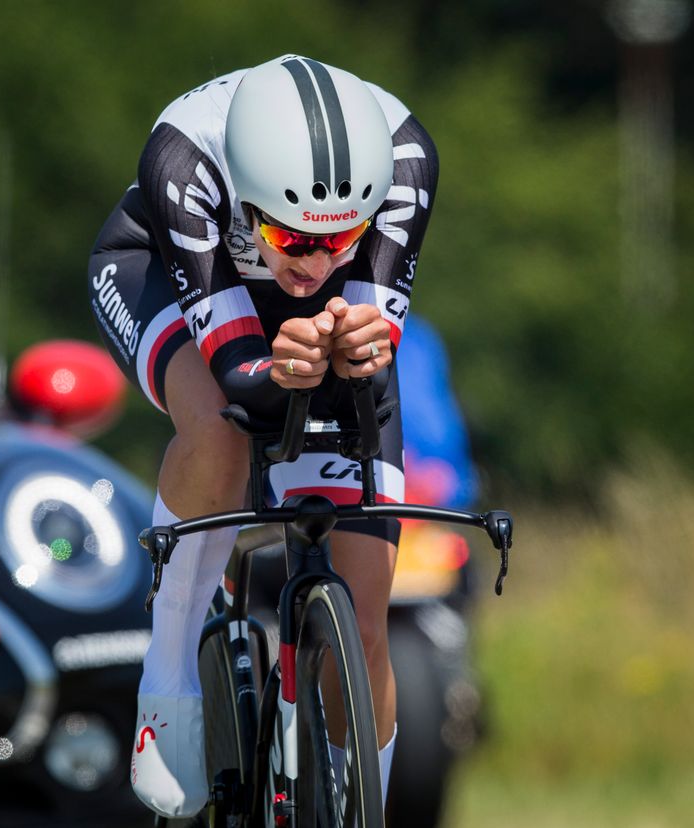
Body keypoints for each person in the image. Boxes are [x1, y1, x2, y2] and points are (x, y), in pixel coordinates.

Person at [88, 54, 438, 819]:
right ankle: (171, 663)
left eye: (343, 238)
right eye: (290, 236)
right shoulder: (183, 154)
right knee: (221, 431)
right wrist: (279, 366)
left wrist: (350, 341)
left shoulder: (408, 155)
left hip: (309, 328)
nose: (315, 259)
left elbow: (372, 350)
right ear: (248, 202)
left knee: (369, 613)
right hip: (168, 278)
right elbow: (244, 378)